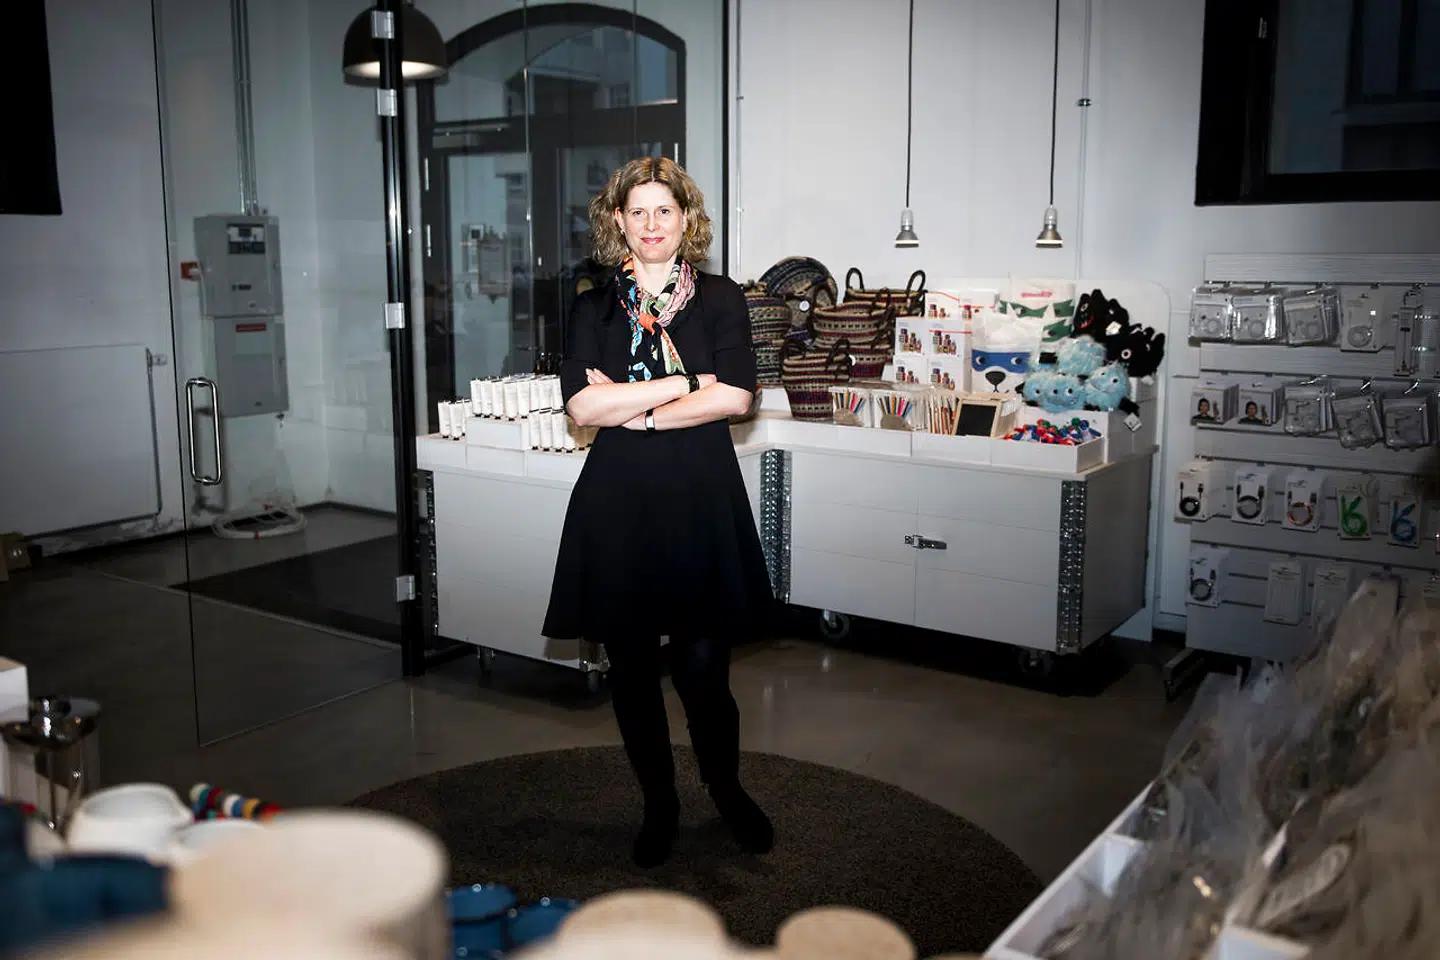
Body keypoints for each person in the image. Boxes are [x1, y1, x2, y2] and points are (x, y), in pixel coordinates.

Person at [542, 157, 776, 868]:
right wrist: (685, 382)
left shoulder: (721, 299)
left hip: (699, 502)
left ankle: (726, 790)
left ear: (685, 219)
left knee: (705, 674)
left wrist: (635, 409)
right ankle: (659, 804)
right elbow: (584, 407)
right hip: (618, 508)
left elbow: (737, 396)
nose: (651, 224)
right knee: (634, 674)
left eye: (664, 211)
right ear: (618, 220)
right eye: (637, 211)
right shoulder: (592, 306)